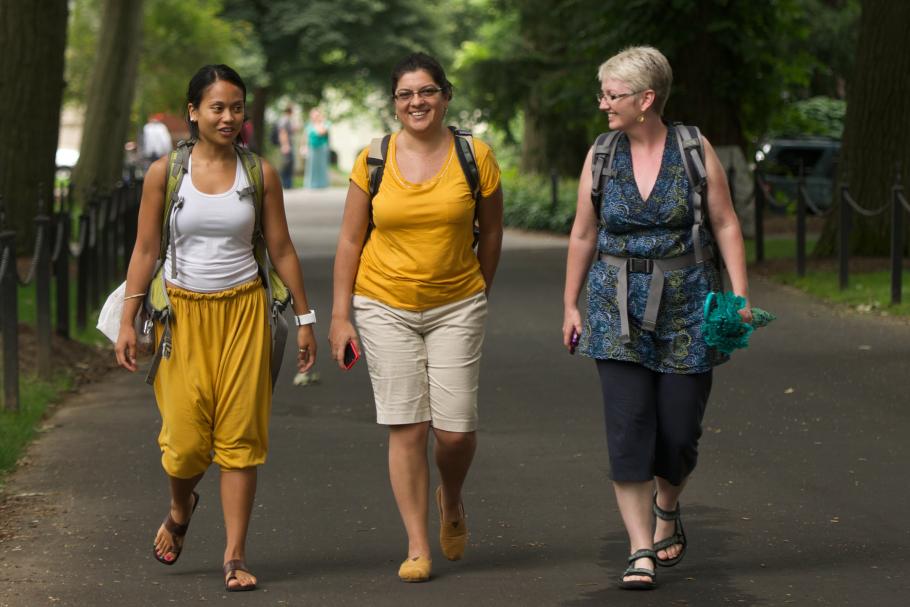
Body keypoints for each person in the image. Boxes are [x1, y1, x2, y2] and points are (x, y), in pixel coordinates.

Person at [114, 64, 318, 592]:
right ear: (194, 111)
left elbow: (282, 249)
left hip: (245, 314)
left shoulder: (260, 173)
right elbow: (145, 249)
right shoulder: (165, 172)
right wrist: (126, 320)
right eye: (217, 107)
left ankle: (234, 554)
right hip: (181, 318)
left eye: (236, 108)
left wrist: (305, 319)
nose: (229, 117)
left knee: (240, 440)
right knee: (183, 443)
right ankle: (181, 507)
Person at [562, 46, 751, 591]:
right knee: (628, 427)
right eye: (603, 93)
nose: (603, 104)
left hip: (689, 300)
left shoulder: (693, 149)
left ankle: (667, 501)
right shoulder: (601, 154)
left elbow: (726, 223)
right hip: (612, 303)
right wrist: (570, 303)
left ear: (646, 100)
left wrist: (737, 298)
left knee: (679, 430)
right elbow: (582, 232)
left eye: (612, 95)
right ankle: (639, 548)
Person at [328, 52, 503, 583]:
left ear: (445, 96)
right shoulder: (373, 158)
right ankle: (417, 544)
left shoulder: (475, 155)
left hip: (457, 304)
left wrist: (478, 289)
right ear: (395, 103)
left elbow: (491, 232)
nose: (416, 102)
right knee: (408, 425)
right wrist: (340, 315)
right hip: (383, 304)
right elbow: (351, 238)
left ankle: (451, 498)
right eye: (405, 94)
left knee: (454, 432)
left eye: (426, 91)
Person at [303, 107, 331, 188]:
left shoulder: (325, 123)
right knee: (311, 167)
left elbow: (321, 132)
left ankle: (322, 184)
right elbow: (305, 136)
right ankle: (311, 184)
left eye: (317, 115)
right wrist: (304, 146)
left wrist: (320, 123)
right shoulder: (309, 125)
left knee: (322, 166)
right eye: (313, 115)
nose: (315, 117)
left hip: (322, 148)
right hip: (312, 148)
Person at [277, 105, 295, 189]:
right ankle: (285, 184)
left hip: (288, 144)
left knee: (288, 164)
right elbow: (282, 132)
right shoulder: (285, 119)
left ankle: (288, 184)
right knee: (286, 164)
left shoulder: (286, 119)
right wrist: (285, 145)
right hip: (287, 145)